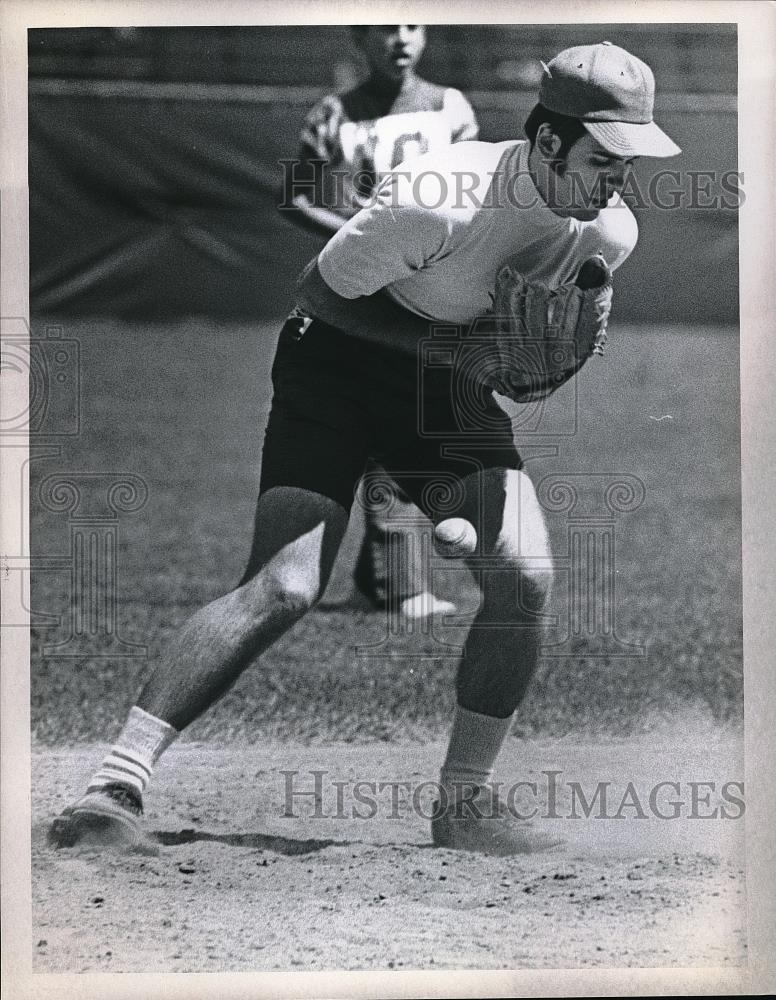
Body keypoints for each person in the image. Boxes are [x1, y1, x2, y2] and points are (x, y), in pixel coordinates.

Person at [51, 41, 680, 856]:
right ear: (549, 140)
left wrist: (531, 379)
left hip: (442, 391)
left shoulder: (607, 234)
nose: (618, 178)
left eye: (631, 159)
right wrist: (464, 357)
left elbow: (525, 372)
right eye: (607, 156)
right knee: (285, 584)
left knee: (525, 577)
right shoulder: (442, 193)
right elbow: (317, 293)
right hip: (337, 360)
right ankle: (115, 783)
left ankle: (463, 806)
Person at [283, 24, 478, 620]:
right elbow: (294, 196)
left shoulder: (450, 107)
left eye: (412, 26)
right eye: (386, 28)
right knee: (395, 427)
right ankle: (402, 586)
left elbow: (476, 191)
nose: (401, 39)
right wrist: (357, 234)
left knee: (416, 424)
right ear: (359, 38)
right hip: (364, 291)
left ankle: (378, 580)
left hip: (432, 286)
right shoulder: (332, 114)